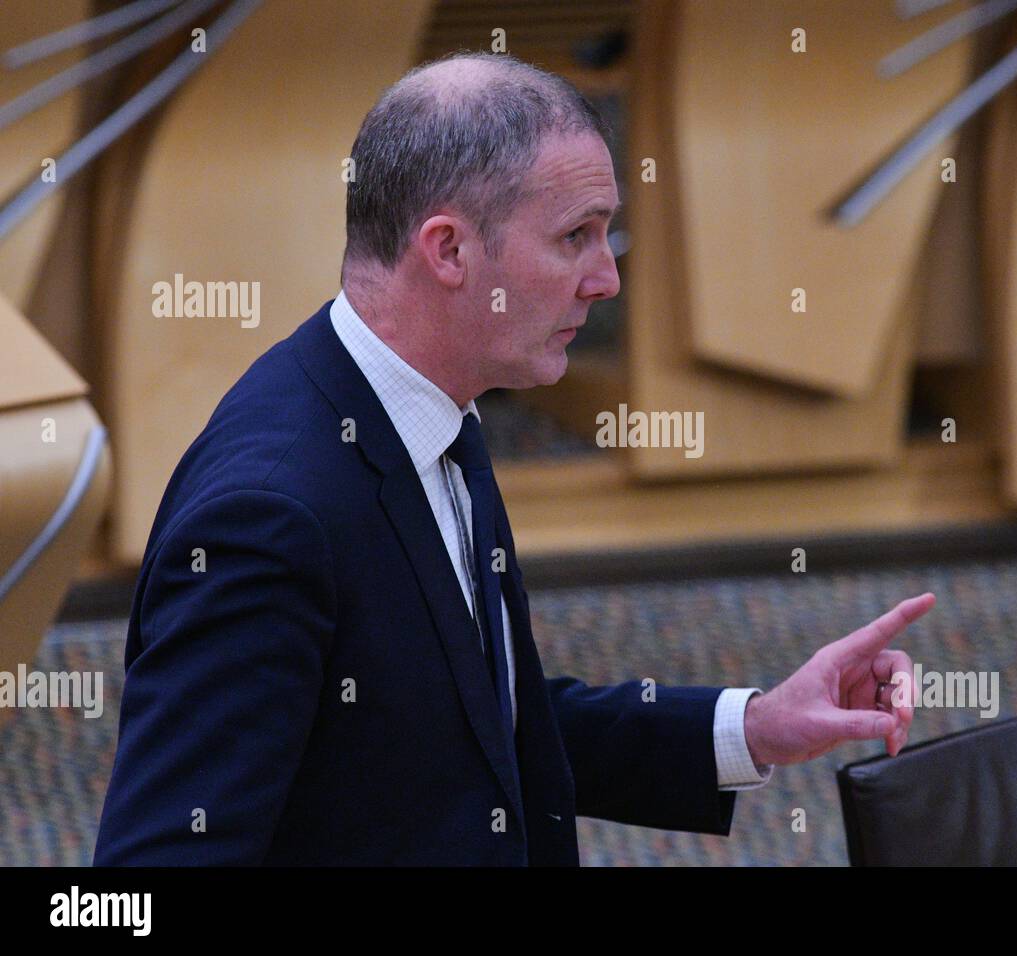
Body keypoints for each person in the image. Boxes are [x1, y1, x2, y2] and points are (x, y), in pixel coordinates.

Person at [93, 51, 935, 865]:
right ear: (450, 251)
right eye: (576, 237)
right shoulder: (269, 519)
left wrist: (752, 727)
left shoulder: (433, 408)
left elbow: (476, 725)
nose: (607, 280)